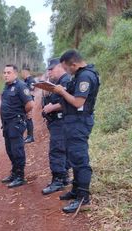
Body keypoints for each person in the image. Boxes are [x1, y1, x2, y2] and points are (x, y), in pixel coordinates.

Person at [52, 49, 100, 213]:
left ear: (74, 64)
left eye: (66, 69)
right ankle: (76, 190)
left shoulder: (86, 76)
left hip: (79, 122)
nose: (66, 72)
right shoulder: (79, 75)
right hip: (73, 122)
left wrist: (61, 91)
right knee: (73, 157)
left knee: (80, 158)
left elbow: (78, 102)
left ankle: (83, 198)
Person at [0, 65, 34, 188]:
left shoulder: (20, 86)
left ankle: (20, 176)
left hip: (16, 123)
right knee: (10, 150)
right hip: (6, 124)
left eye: (8, 72)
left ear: (15, 73)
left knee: (17, 150)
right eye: (4, 72)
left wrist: (22, 113)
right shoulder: (7, 87)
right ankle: (14, 173)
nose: (5, 75)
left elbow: (30, 104)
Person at [41, 58, 72, 195]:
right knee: (62, 149)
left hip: (61, 122)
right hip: (57, 122)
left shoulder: (65, 81)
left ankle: (58, 180)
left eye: (51, 69)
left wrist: (51, 108)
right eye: (48, 69)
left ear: (60, 67)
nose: (49, 72)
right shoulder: (58, 82)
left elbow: (69, 101)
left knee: (57, 150)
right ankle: (64, 177)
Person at [22, 66, 37, 143]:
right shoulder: (25, 80)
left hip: (29, 102)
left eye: (23, 72)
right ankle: (28, 136)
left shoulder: (31, 80)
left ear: (26, 72)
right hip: (25, 102)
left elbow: (31, 92)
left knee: (29, 118)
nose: (22, 74)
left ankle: (30, 136)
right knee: (26, 118)